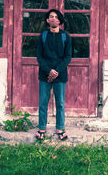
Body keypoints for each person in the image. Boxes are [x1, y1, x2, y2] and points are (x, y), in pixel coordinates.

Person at [35, 9, 72, 141]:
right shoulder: (43, 36)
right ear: (47, 20)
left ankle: (60, 128)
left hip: (60, 74)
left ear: (60, 21)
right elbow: (39, 56)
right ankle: (41, 128)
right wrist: (48, 71)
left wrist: (56, 71)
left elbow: (68, 57)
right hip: (44, 73)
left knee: (60, 103)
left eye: (56, 17)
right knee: (43, 102)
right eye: (51, 17)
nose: (54, 19)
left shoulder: (65, 37)